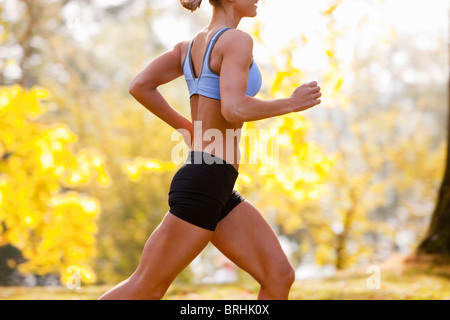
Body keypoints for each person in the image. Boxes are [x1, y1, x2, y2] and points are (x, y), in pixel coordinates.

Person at [99, 0, 321, 300]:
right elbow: (233, 108)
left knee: (278, 275)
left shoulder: (189, 47)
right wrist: (290, 103)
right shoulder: (236, 40)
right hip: (205, 181)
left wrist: (187, 128)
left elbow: (141, 85)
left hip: (216, 183)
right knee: (147, 287)